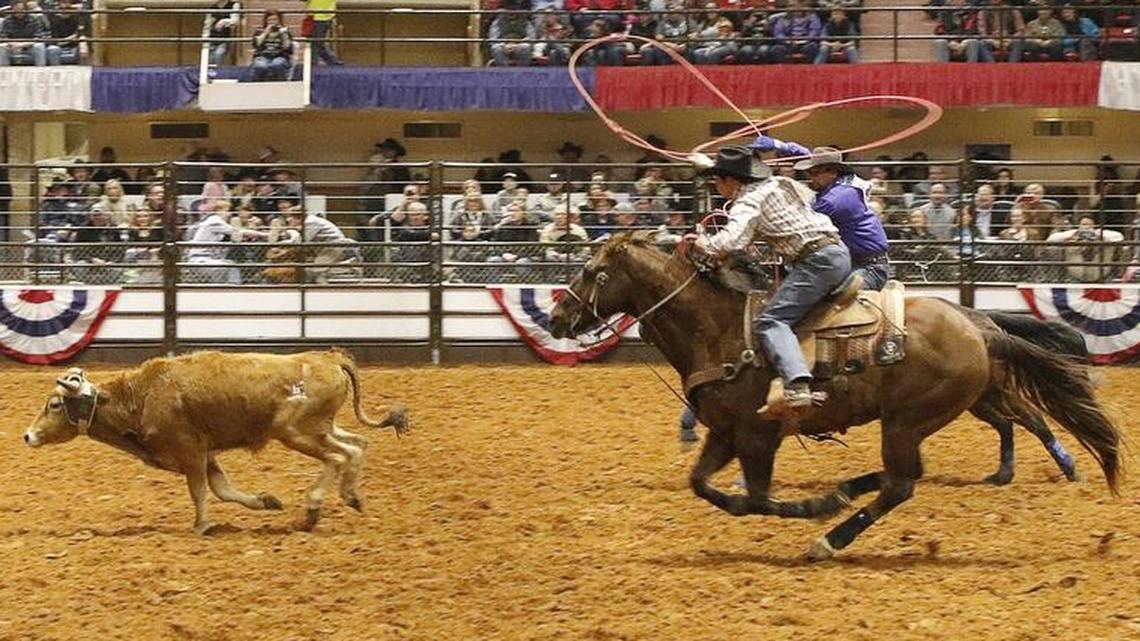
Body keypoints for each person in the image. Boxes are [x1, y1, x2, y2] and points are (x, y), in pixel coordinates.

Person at [692, 146, 849, 410]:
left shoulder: (748, 201)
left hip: (816, 261)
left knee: (771, 320)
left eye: (717, 180)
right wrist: (706, 164)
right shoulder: (777, 183)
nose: (716, 187)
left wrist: (700, 242)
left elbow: (728, 241)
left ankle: (797, 384)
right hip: (835, 253)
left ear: (730, 180)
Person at [751, 138, 890, 290]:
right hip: (850, 262)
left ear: (832, 172)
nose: (811, 177)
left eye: (815, 173)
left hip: (866, 267)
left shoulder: (834, 200)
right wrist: (779, 145)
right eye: (810, 172)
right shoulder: (843, 184)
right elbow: (805, 154)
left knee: (834, 305)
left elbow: (797, 221)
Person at [251, 10, 294, 81]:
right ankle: (256, 86)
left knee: (277, 64)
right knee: (260, 66)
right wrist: (265, 32)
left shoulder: (284, 32)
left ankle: (282, 85)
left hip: (280, 56)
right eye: (270, 20)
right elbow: (256, 44)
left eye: (275, 20)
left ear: (279, 20)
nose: (272, 22)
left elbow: (287, 47)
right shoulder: (259, 31)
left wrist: (284, 35)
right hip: (262, 56)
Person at [300, 0, 344, 66]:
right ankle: (334, 63)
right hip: (325, 16)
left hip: (316, 17)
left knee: (315, 44)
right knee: (318, 44)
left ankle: (313, 66)